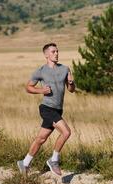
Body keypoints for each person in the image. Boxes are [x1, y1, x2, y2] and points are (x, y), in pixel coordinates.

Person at [17, 43, 75, 176]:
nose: (56, 54)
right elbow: (28, 87)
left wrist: (71, 83)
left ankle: (24, 163)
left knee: (41, 139)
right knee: (66, 132)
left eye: (57, 51)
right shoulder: (41, 71)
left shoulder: (65, 69)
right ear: (46, 55)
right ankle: (54, 160)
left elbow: (71, 90)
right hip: (46, 108)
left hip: (58, 109)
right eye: (53, 52)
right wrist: (41, 90)